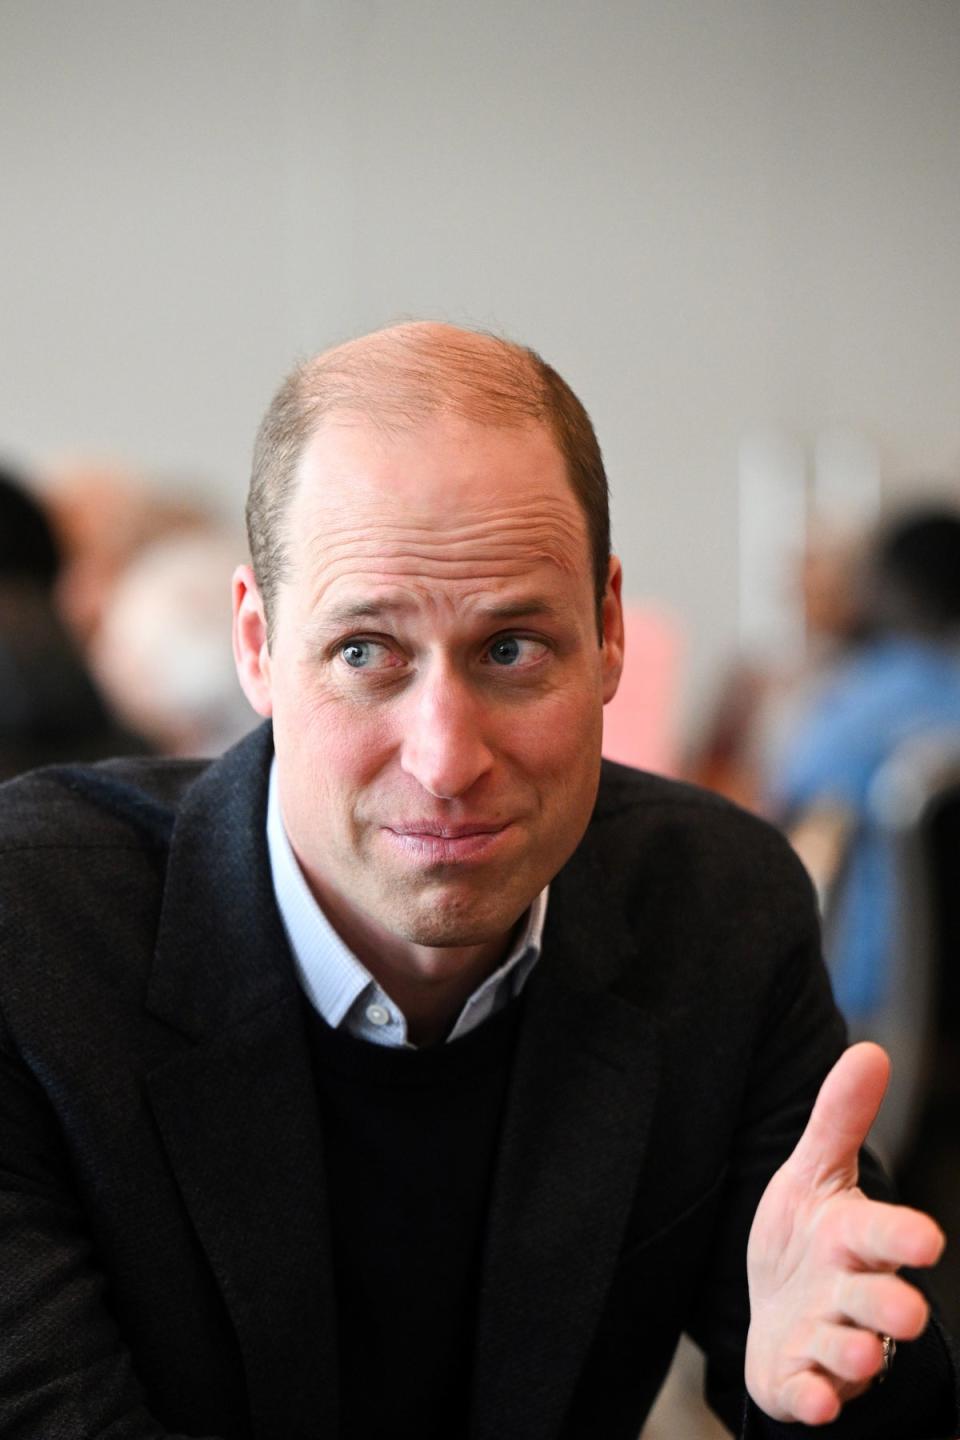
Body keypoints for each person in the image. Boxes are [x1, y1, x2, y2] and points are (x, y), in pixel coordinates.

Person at [0, 324, 956, 1440]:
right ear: (258, 647)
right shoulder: (37, 936)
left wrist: (843, 1389)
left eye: (511, 649)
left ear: (607, 632)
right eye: (366, 651)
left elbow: (847, 1366)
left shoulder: (714, 912)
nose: (446, 759)